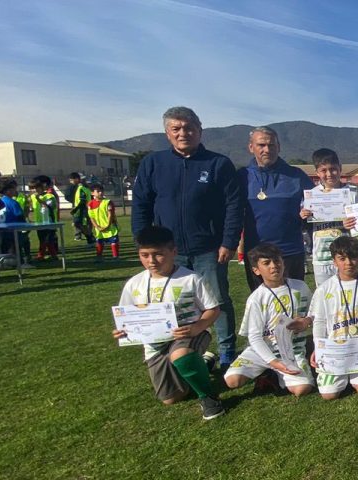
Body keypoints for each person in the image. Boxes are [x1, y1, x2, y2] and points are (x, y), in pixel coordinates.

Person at [132, 106, 242, 370]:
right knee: (171, 302)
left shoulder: (218, 163)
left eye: (189, 128)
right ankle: (178, 350)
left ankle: (226, 351)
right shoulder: (153, 163)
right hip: (168, 251)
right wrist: (144, 244)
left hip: (209, 248)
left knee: (217, 300)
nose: (183, 133)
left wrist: (228, 241)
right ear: (167, 133)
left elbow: (234, 206)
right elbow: (141, 204)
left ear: (199, 131)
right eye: (176, 129)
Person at [113, 226, 225, 420]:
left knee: (181, 355)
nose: (151, 261)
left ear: (173, 252)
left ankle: (208, 397)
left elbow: (213, 309)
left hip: (189, 335)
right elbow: (126, 316)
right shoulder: (134, 283)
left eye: (158, 254)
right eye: (144, 255)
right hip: (155, 345)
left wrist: (197, 327)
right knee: (171, 399)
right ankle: (203, 365)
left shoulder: (190, 278)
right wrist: (122, 331)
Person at [224, 243, 314, 397]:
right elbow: (254, 337)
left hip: (292, 350)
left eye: (277, 261)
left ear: (283, 262)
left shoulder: (300, 287)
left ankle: (273, 376)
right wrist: (273, 362)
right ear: (256, 270)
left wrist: (306, 321)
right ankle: (268, 371)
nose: (274, 266)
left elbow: (315, 312)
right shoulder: (256, 298)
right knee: (232, 381)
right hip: (263, 350)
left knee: (302, 390)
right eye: (266, 263)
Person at [309, 236, 358, 400]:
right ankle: (339, 375)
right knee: (328, 394)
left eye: (353, 258)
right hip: (334, 349)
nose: (349, 263)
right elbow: (319, 321)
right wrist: (318, 346)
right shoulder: (324, 289)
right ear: (334, 261)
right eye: (342, 258)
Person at [239, 126, 312, 290]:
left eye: (271, 145)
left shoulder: (296, 175)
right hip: (257, 254)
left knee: (294, 300)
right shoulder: (242, 176)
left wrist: (307, 215)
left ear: (278, 147)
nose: (267, 149)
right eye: (261, 145)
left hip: (291, 252)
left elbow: (318, 206)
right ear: (251, 147)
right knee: (262, 301)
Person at [300, 148, 355, 286]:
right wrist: (302, 217)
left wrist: (351, 225)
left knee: (347, 293)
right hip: (321, 258)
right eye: (324, 170)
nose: (329, 174)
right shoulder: (311, 195)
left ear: (340, 168)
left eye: (333, 169)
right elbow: (304, 227)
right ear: (317, 172)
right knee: (325, 295)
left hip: (346, 258)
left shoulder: (352, 194)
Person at [0, 180, 32, 266]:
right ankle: (22, 262)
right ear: (7, 190)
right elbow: (20, 216)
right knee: (21, 243)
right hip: (13, 230)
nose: (15, 190)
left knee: (6, 247)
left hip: (1, 230)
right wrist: (26, 228)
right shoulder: (13, 203)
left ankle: (6, 263)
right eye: (13, 189)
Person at [28, 176, 61, 261]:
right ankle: (53, 255)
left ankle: (41, 255)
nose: (34, 190)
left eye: (36, 188)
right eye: (32, 189)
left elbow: (50, 206)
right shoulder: (33, 197)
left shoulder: (49, 196)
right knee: (42, 239)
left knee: (47, 239)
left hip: (49, 221)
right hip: (39, 222)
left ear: (41, 187)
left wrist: (39, 199)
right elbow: (32, 207)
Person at [86, 183, 120, 261]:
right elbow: (92, 217)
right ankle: (99, 257)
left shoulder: (108, 202)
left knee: (114, 241)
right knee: (99, 242)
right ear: (92, 193)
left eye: (101, 191)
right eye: (98, 191)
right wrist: (97, 227)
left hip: (110, 227)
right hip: (99, 228)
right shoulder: (90, 204)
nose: (101, 193)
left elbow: (110, 214)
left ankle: (115, 257)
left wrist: (108, 225)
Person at [67, 172, 95, 245]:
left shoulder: (82, 188)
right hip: (80, 210)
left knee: (80, 224)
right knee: (79, 224)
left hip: (83, 210)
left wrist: (76, 209)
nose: (71, 182)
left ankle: (90, 238)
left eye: (71, 180)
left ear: (77, 179)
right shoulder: (79, 188)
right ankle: (90, 237)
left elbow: (83, 201)